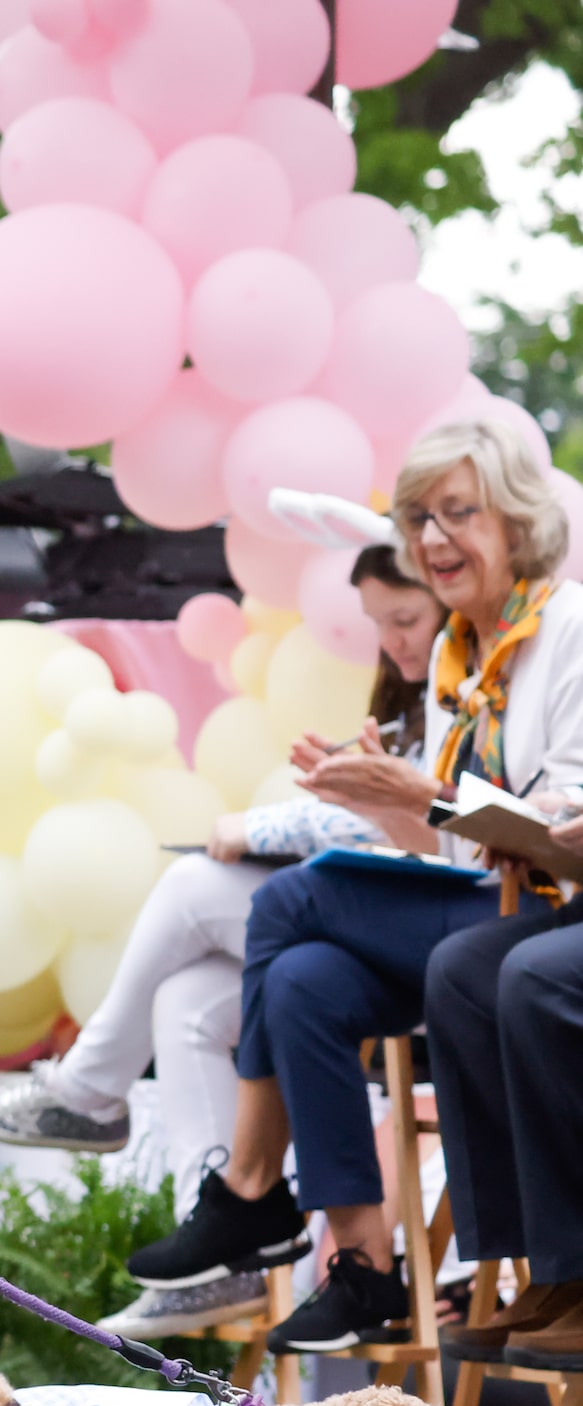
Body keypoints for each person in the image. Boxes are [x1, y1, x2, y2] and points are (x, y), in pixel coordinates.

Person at [125, 414, 583, 1354]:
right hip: (496, 899)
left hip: (550, 906)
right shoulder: (461, 654)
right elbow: (457, 845)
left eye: (457, 512)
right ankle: (363, 1265)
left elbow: (556, 827)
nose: (431, 538)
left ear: (515, 519)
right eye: (418, 517)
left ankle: (250, 1191)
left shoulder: (565, 630)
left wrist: (424, 793)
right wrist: (382, 801)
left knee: (292, 901)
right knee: (300, 982)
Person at [0, 550, 444, 1333]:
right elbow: (381, 821)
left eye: (406, 620)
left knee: (192, 889)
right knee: (187, 1000)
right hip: (384, 913)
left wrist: (257, 826)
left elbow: (421, 821)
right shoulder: (413, 694)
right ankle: (222, 1249)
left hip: (433, 928)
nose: (391, 641)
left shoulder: (474, 682)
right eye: (379, 624)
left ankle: (88, 1091)